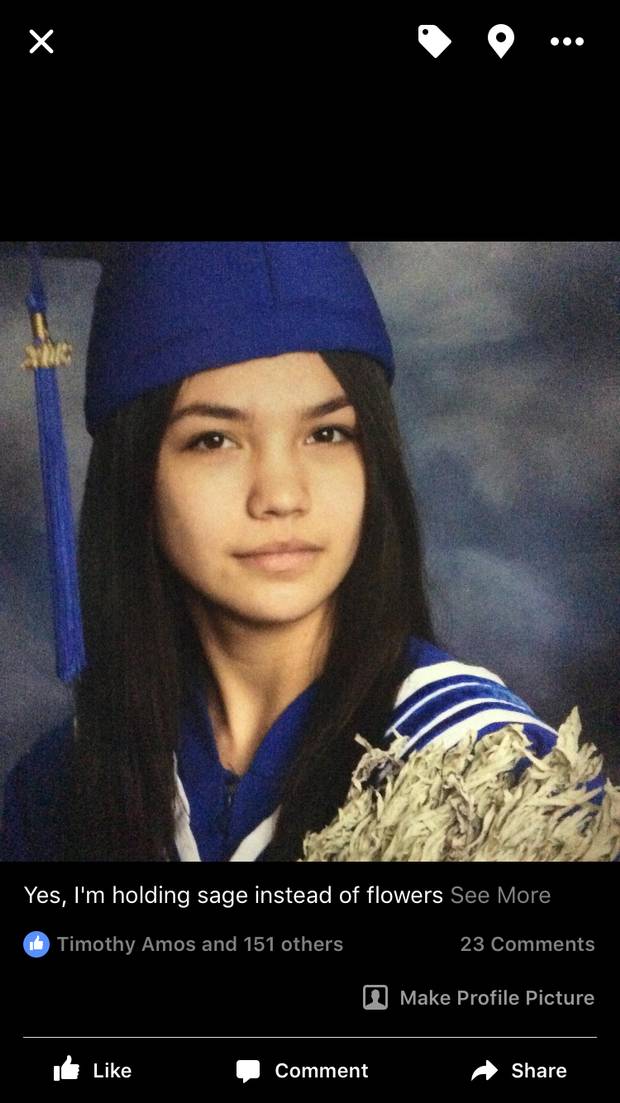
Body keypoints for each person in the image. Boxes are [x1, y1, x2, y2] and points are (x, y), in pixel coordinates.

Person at [0, 242, 608, 863]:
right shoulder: (60, 789)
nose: (281, 496)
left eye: (327, 433)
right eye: (214, 440)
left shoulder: (492, 786)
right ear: (134, 478)